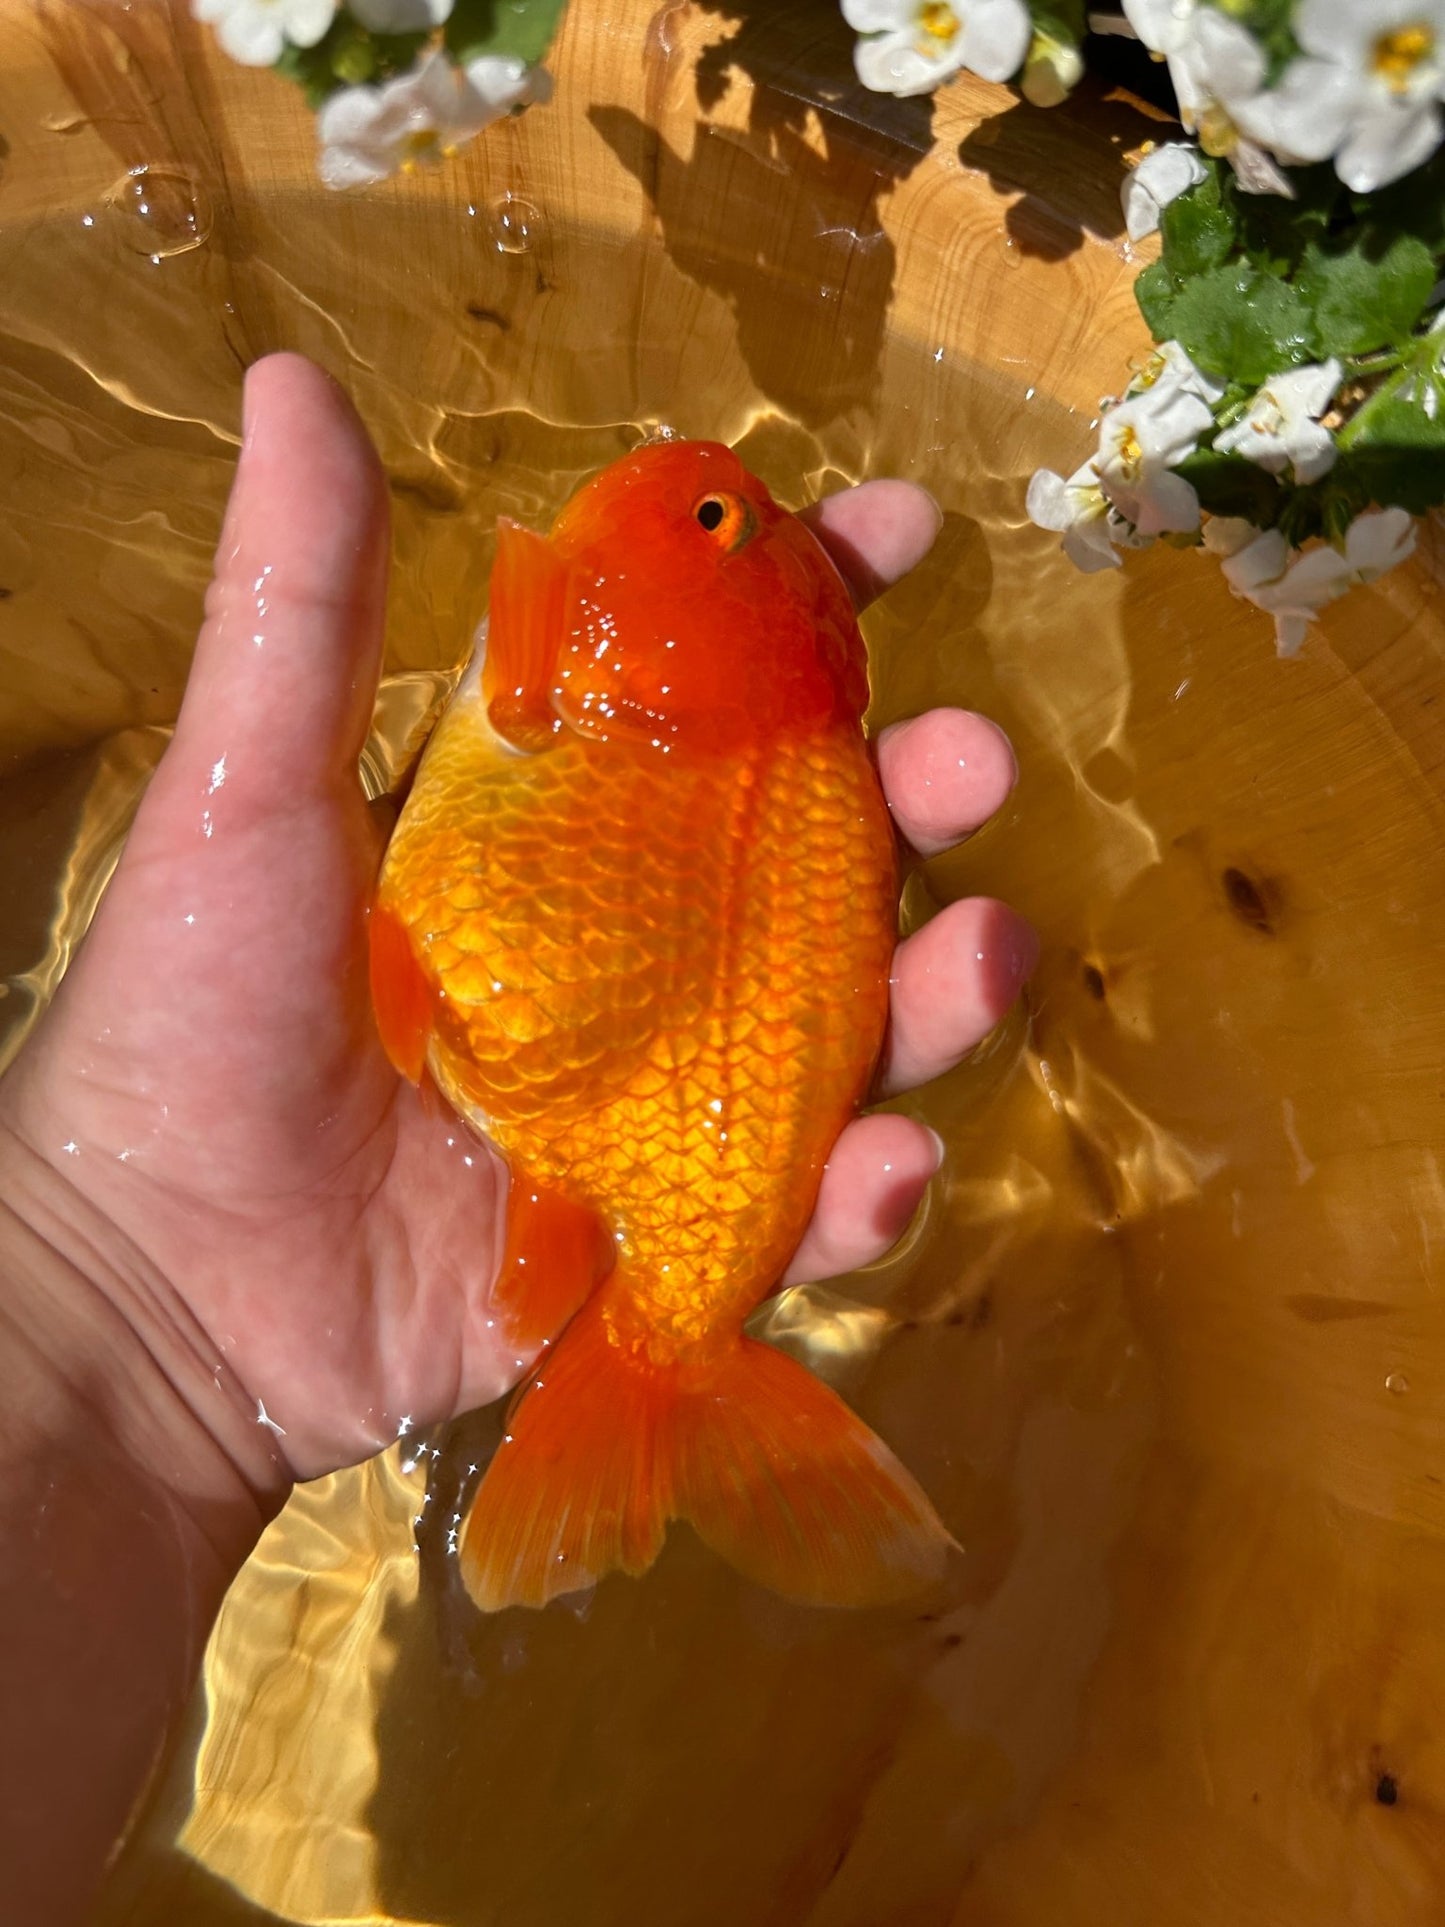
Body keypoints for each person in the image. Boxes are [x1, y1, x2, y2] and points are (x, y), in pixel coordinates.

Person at [0, 354, 1035, 1923]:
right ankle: (669, 1351)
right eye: (720, 514)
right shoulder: (655, 713)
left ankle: (670, 1349)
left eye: (713, 522)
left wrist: (107, 1291)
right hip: (531, 1126)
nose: (715, 499)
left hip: (540, 1120)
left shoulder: (585, 682)